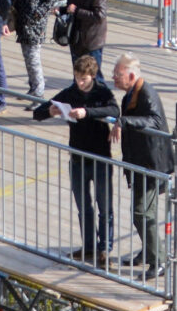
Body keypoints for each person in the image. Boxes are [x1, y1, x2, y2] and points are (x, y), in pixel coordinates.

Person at [38, 54, 118, 265]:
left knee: (105, 207)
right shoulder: (70, 92)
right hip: (77, 158)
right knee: (84, 207)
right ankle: (89, 247)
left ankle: (105, 249)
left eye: (83, 79)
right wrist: (50, 110)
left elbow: (114, 110)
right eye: (76, 78)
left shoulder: (102, 91)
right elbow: (38, 113)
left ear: (92, 76)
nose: (79, 83)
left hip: (100, 157)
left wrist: (87, 112)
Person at [110, 53, 173, 281]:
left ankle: (159, 260)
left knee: (141, 212)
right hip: (139, 161)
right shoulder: (130, 94)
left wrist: (124, 122)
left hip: (151, 164)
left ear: (131, 75)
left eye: (117, 74)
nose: (113, 78)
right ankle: (149, 250)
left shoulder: (147, 93)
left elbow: (155, 122)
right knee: (145, 212)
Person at [10, 0, 60, 98]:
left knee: (33, 57)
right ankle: (32, 87)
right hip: (23, 19)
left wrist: (38, 13)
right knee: (26, 55)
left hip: (35, 21)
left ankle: (38, 92)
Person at [62, 0, 107, 76]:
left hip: (91, 41)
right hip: (76, 39)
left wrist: (77, 10)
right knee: (78, 74)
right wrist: (60, 10)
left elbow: (100, 15)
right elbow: (70, 7)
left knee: (94, 76)